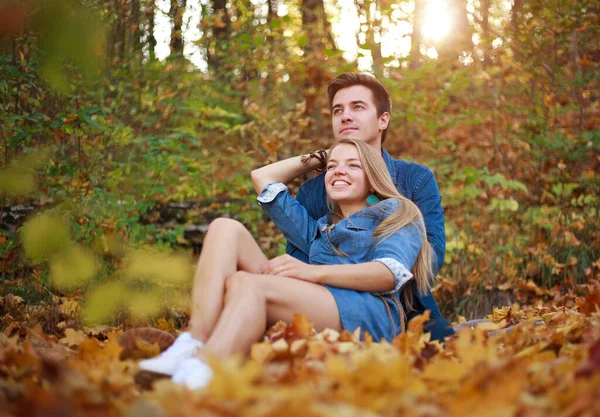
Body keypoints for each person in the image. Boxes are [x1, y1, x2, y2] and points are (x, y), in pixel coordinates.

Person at [139, 139, 434, 389]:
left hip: (368, 314)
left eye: (353, 165)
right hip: (320, 303)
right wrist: (319, 158)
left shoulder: (397, 210)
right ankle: (193, 341)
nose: (339, 170)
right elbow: (262, 177)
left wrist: (312, 272)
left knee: (249, 283)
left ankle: (200, 375)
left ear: (373, 176)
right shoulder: (319, 230)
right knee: (224, 228)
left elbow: (388, 273)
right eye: (333, 167)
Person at [286, 72, 453, 341]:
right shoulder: (314, 190)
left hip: (408, 307)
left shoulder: (415, 179)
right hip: (323, 304)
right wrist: (318, 159)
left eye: (358, 107)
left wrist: (373, 270)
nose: (345, 116)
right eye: (337, 110)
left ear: (383, 120)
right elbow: (299, 258)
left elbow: (432, 255)